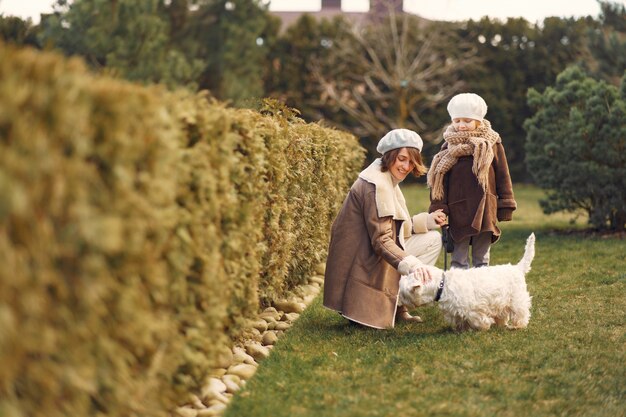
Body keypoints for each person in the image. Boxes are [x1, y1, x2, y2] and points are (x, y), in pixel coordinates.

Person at [323, 129, 446, 329]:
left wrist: (429, 221)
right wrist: (413, 265)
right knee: (410, 260)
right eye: (402, 159)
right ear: (389, 156)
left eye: (411, 161)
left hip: (371, 250)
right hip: (362, 258)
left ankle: (399, 304)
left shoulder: (386, 179)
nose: (406, 166)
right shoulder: (375, 186)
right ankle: (368, 307)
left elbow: (394, 227)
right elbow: (381, 240)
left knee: (432, 238)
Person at [427, 93, 516, 269]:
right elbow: (440, 183)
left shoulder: (492, 144)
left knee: (481, 258)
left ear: (478, 120)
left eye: (467, 120)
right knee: (458, 259)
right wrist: (439, 208)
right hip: (458, 209)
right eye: (457, 120)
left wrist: (505, 205)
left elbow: (503, 175)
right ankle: (459, 293)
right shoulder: (447, 148)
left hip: (485, 209)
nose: (461, 125)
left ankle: (481, 292)